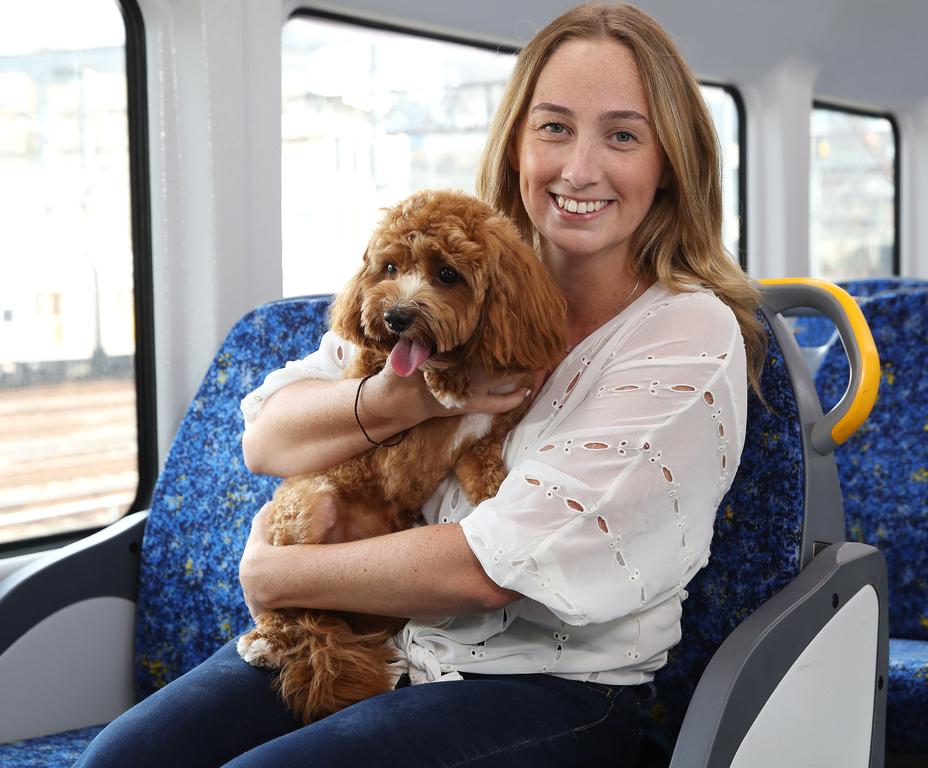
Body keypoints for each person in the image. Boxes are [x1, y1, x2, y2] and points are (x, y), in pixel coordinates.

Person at [75, 4, 765, 766]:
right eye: (554, 127)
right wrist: (406, 396)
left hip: (545, 686)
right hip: (370, 636)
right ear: (515, 143)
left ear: (671, 161)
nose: (578, 169)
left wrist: (278, 572)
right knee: (121, 760)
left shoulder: (687, 333)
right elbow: (269, 437)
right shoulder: (454, 276)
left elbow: (493, 567)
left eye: (623, 135)